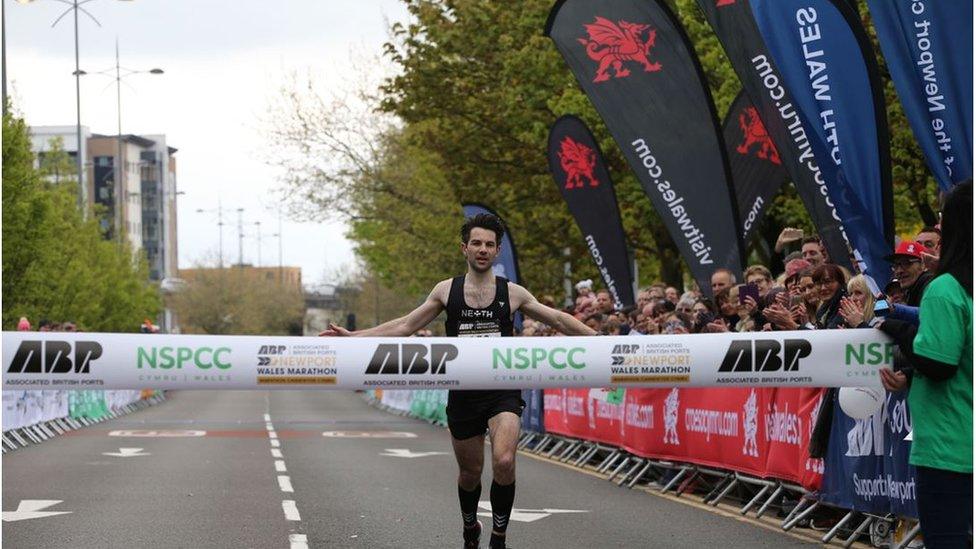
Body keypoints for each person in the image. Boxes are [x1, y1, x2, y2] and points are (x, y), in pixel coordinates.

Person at [321, 213, 597, 549]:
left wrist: (605, 341)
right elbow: (405, 326)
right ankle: (470, 528)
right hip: (464, 394)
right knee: (470, 474)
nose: (483, 249)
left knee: (505, 460)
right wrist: (354, 336)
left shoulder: (511, 293)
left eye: (490, 245)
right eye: (477, 243)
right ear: (465, 248)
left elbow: (558, 319)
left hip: (502, 391)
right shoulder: (446, 290)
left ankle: (499, 536)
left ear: (497, 252)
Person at [879, 180, 972, 546]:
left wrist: (895, 327)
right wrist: (910, 374)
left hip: (949, 445)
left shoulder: (946, 288)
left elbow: (941, 363)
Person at [884, 241, 934, 307]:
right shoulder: (913, 292)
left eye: (906, 263)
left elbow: (926, 315)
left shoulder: (930, 288)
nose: (899, 271)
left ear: (923, 264)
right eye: (895, 266)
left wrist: (897, 310)